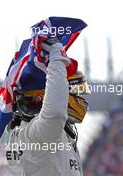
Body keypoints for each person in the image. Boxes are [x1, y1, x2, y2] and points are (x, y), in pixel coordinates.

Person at [6, 41, 90, 176]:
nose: (79, 97)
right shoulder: (38, 133)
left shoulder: (47, 133)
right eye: (74, 91)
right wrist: (56, 58)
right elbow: (55, 113)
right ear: (45, 94)